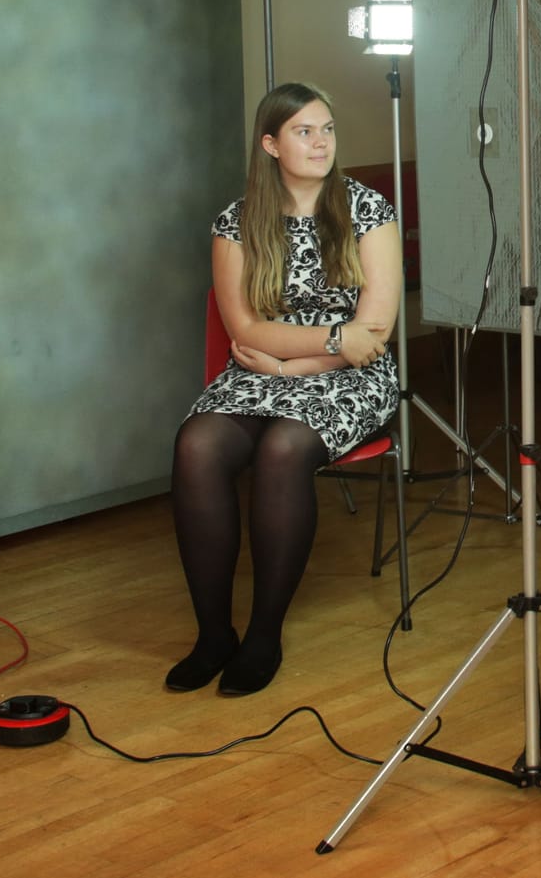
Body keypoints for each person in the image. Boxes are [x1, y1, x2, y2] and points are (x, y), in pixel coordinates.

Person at [166, 82, 402, 696]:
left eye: (327, 129)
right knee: (197, 444)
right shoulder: (237, 220)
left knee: (284, 448)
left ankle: (263, 634)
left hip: (349, 379)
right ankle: (213, 634)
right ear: (271, 144)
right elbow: (243, 329)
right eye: (304, 131)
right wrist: (328, 340)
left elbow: (372, 333)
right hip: (262, 371)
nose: (320, 142)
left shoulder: (367, 210)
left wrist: (292, 365)